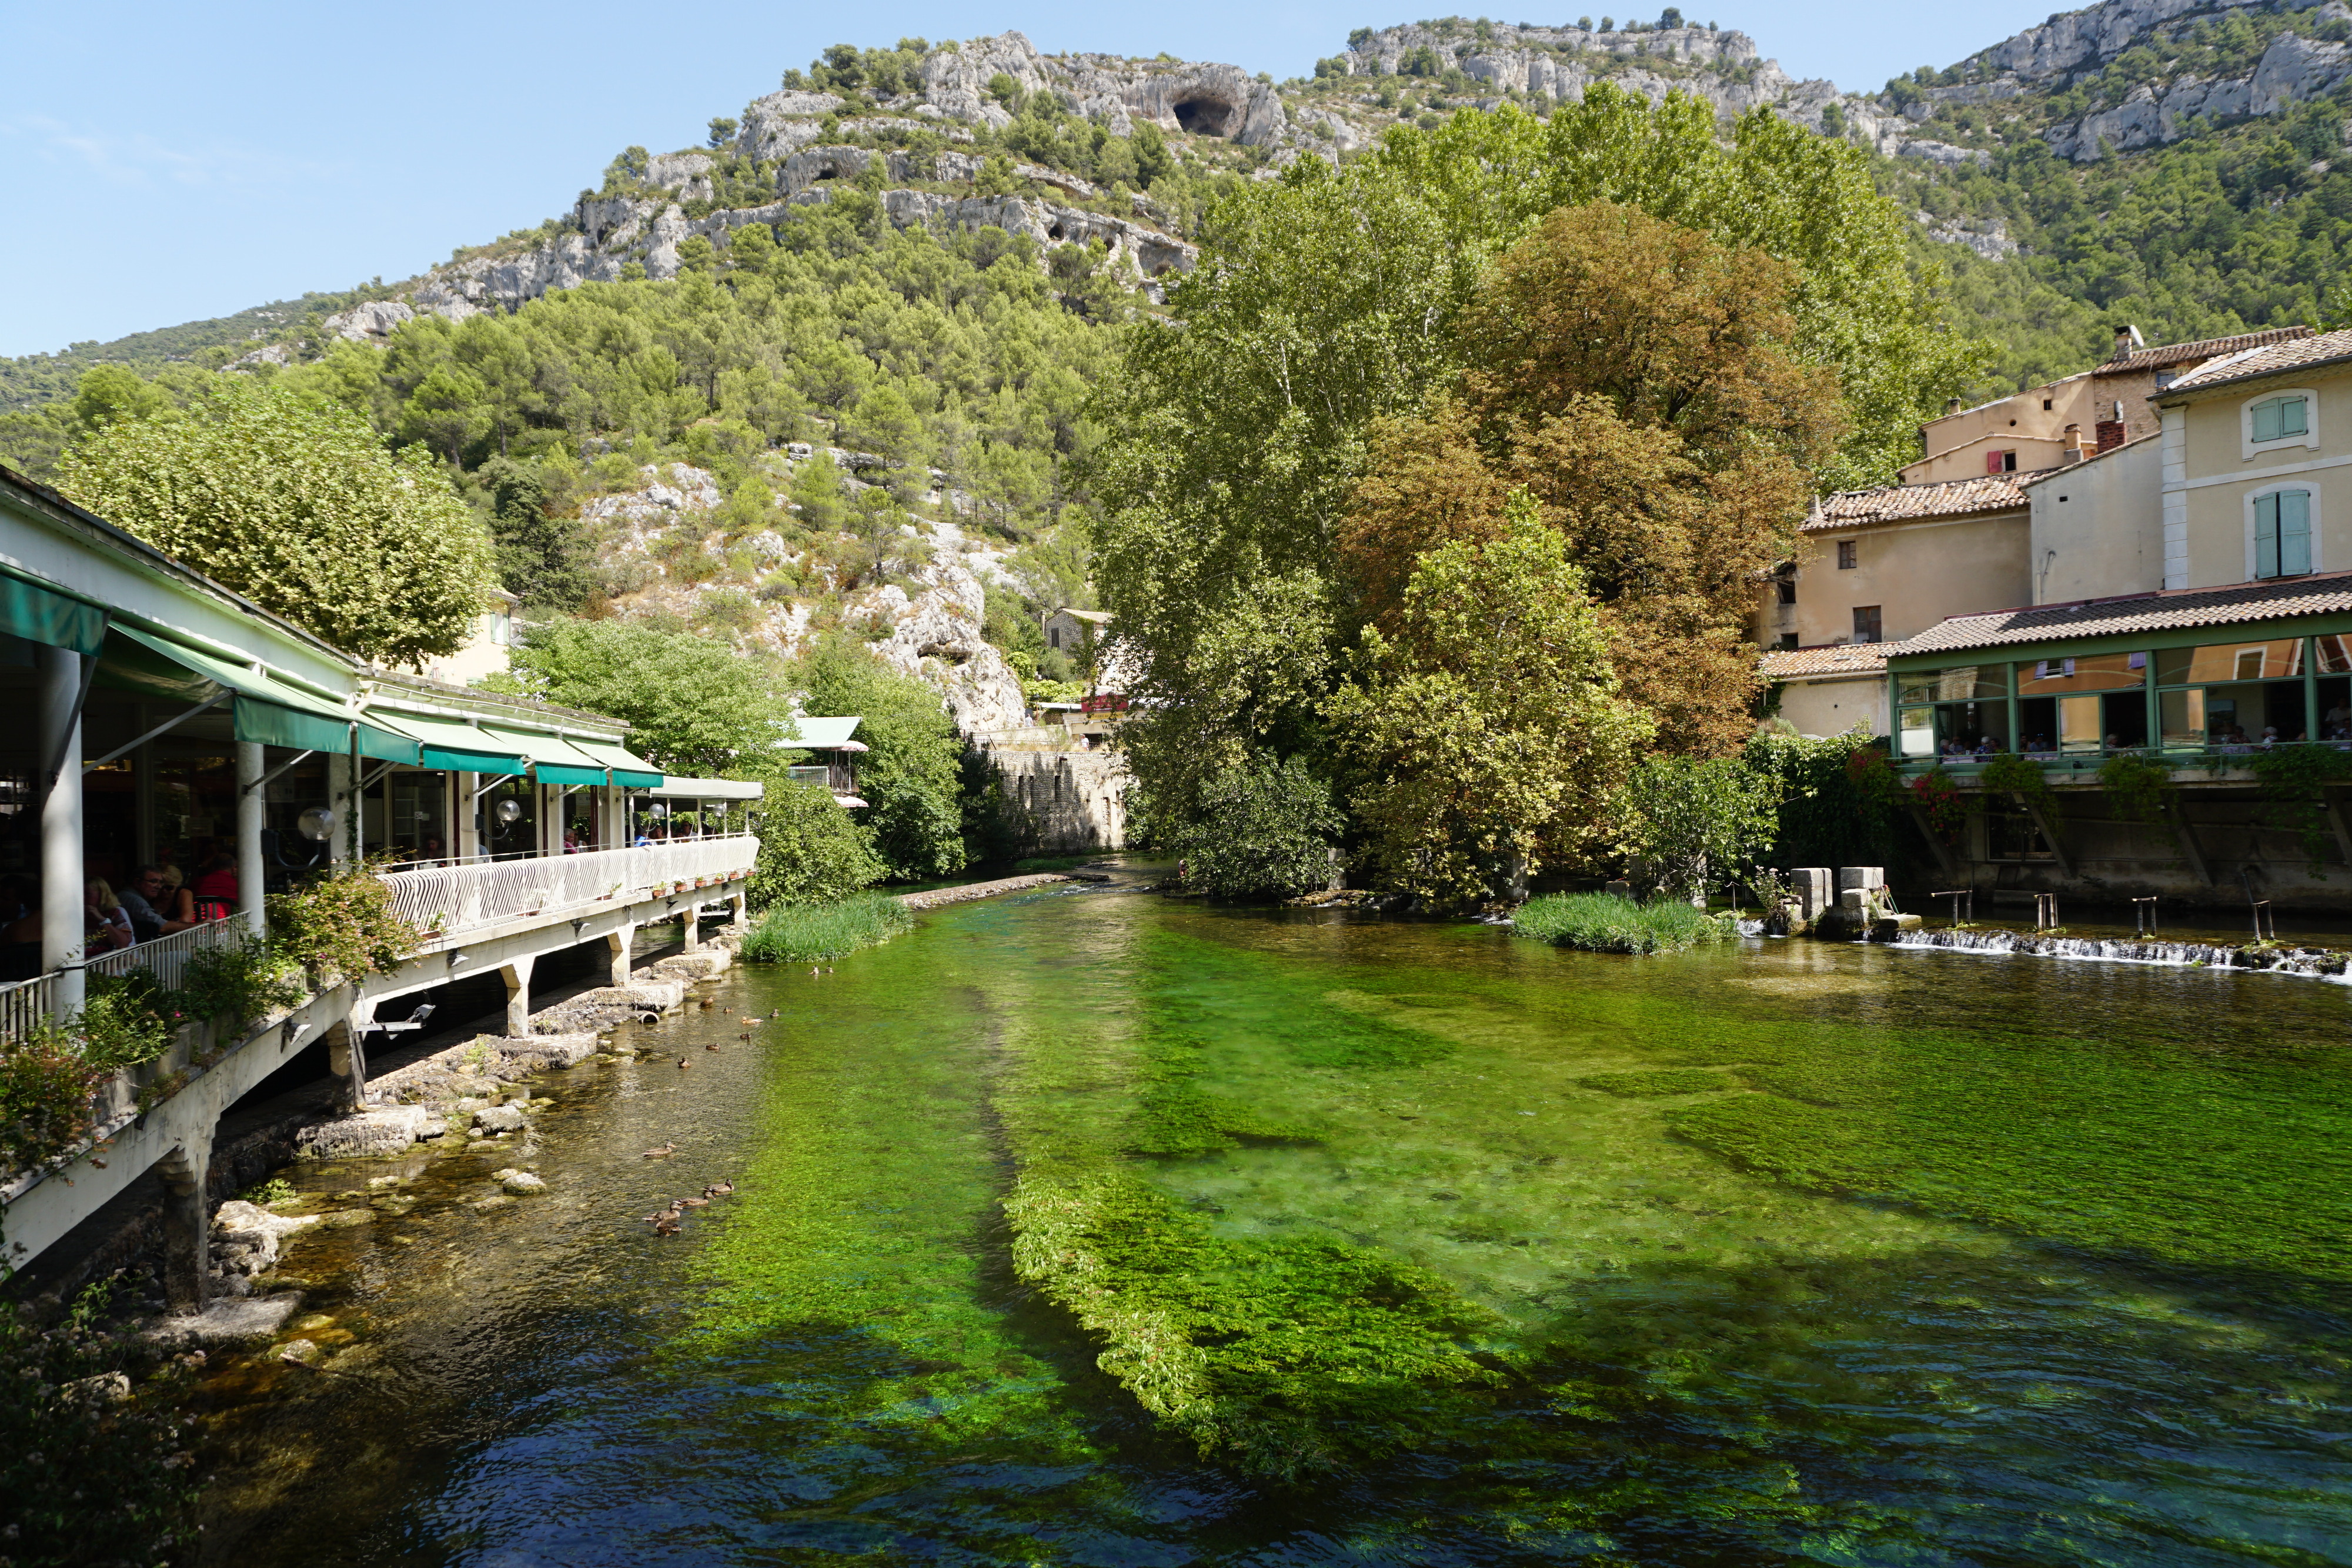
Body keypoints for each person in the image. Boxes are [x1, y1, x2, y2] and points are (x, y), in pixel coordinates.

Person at [121, 865, 198, 942]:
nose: (160, 888)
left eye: (169, 887)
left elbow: (185, 920)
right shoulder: (137, 900)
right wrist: (199, 925)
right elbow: (161, 927)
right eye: (154, 882)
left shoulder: (183, 893)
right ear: (137, 882)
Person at [83, 878, 133, 955]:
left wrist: (102, 920)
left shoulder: (114, 912)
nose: (83, 898)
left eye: (87, 894)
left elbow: (123, 943)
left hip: (111, 961)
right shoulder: (78, 914)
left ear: (102, 895)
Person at [189, 851, 239, 921]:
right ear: (233, 868)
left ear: (213, 867)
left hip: (199, 925)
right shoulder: (237, 885)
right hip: (228, 925)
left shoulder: (198, 882)